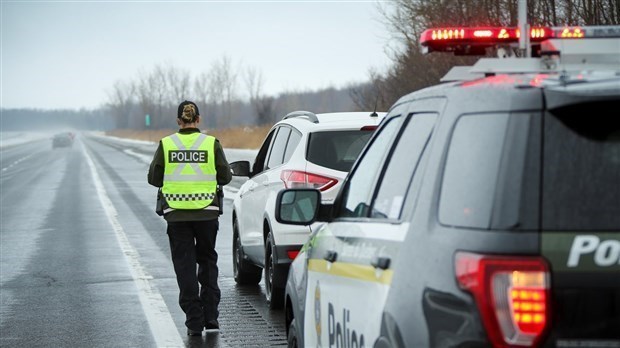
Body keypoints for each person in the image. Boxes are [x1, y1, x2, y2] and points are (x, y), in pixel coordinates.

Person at [147, 100, 232, 336]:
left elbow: (154, 178)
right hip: (207, 212)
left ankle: (194, 320)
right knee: (207, 260)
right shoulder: (211, 143)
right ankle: (211, 315)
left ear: (178, 121)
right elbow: (224, 176)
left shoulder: (166, 144)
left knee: (184, 266)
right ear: (198, 120)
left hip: (176, 214)